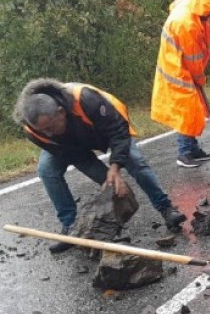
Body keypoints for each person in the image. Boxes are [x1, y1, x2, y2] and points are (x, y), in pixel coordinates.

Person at [13, 79, 187, 253]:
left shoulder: (86, 100)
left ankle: (166, 208)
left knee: (134, 160)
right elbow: (78, 158)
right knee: (46, 170)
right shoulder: (33, 130)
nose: (48, 134)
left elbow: (118, 131)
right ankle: (71, 228)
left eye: (50, 127)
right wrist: (108, 179)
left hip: (104, 130)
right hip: (71, 145)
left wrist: (115, 167)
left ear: (61, 112)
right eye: (43, 130)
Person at [151, 0, 210, 168]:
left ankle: (192, 148)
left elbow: (174, 4)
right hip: (177, 69)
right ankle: (185, 153)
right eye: (207, 13)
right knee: (187, 110)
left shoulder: (190, 6)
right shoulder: (187, 26)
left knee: (192, 109)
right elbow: (193, 59)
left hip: (178, 63)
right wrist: (200, 78)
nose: (209, 16)